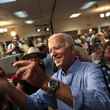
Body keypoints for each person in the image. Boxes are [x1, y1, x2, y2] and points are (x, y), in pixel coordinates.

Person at [0, 33, 110, 110]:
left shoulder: (90, 69)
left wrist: (46, 82)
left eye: (57, 48)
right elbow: (32, 104)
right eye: (50, 51)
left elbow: (102, 104)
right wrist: (7, 87)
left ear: (72, 50)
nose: (53, 54)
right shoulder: (56, 77)